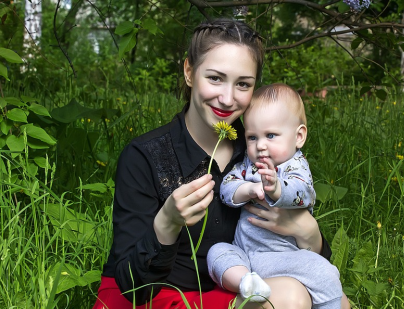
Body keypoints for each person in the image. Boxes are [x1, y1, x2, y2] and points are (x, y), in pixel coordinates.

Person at [92, 18, 348, 309]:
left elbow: (305, 256)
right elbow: (133, 288)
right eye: (215, 78)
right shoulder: (145, 156)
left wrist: (309, 232)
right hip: (156, 296)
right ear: (189, 71)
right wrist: (166, 222)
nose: (227, 99)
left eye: (242, 84)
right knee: (290, 297)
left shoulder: (258, 149)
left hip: (235, 285)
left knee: (338, 299)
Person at [207, 83, 344, 309]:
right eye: (252, 137)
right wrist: (248, 190)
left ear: (298, 137)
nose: (260, 145)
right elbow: (226, 187)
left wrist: (277, 188)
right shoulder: (248, 165)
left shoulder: (295, 166)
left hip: (281, 255)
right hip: (244, 252)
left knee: (321, 270)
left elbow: (303, 193)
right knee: (218, 253)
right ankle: (247, 283)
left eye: (271, 135)